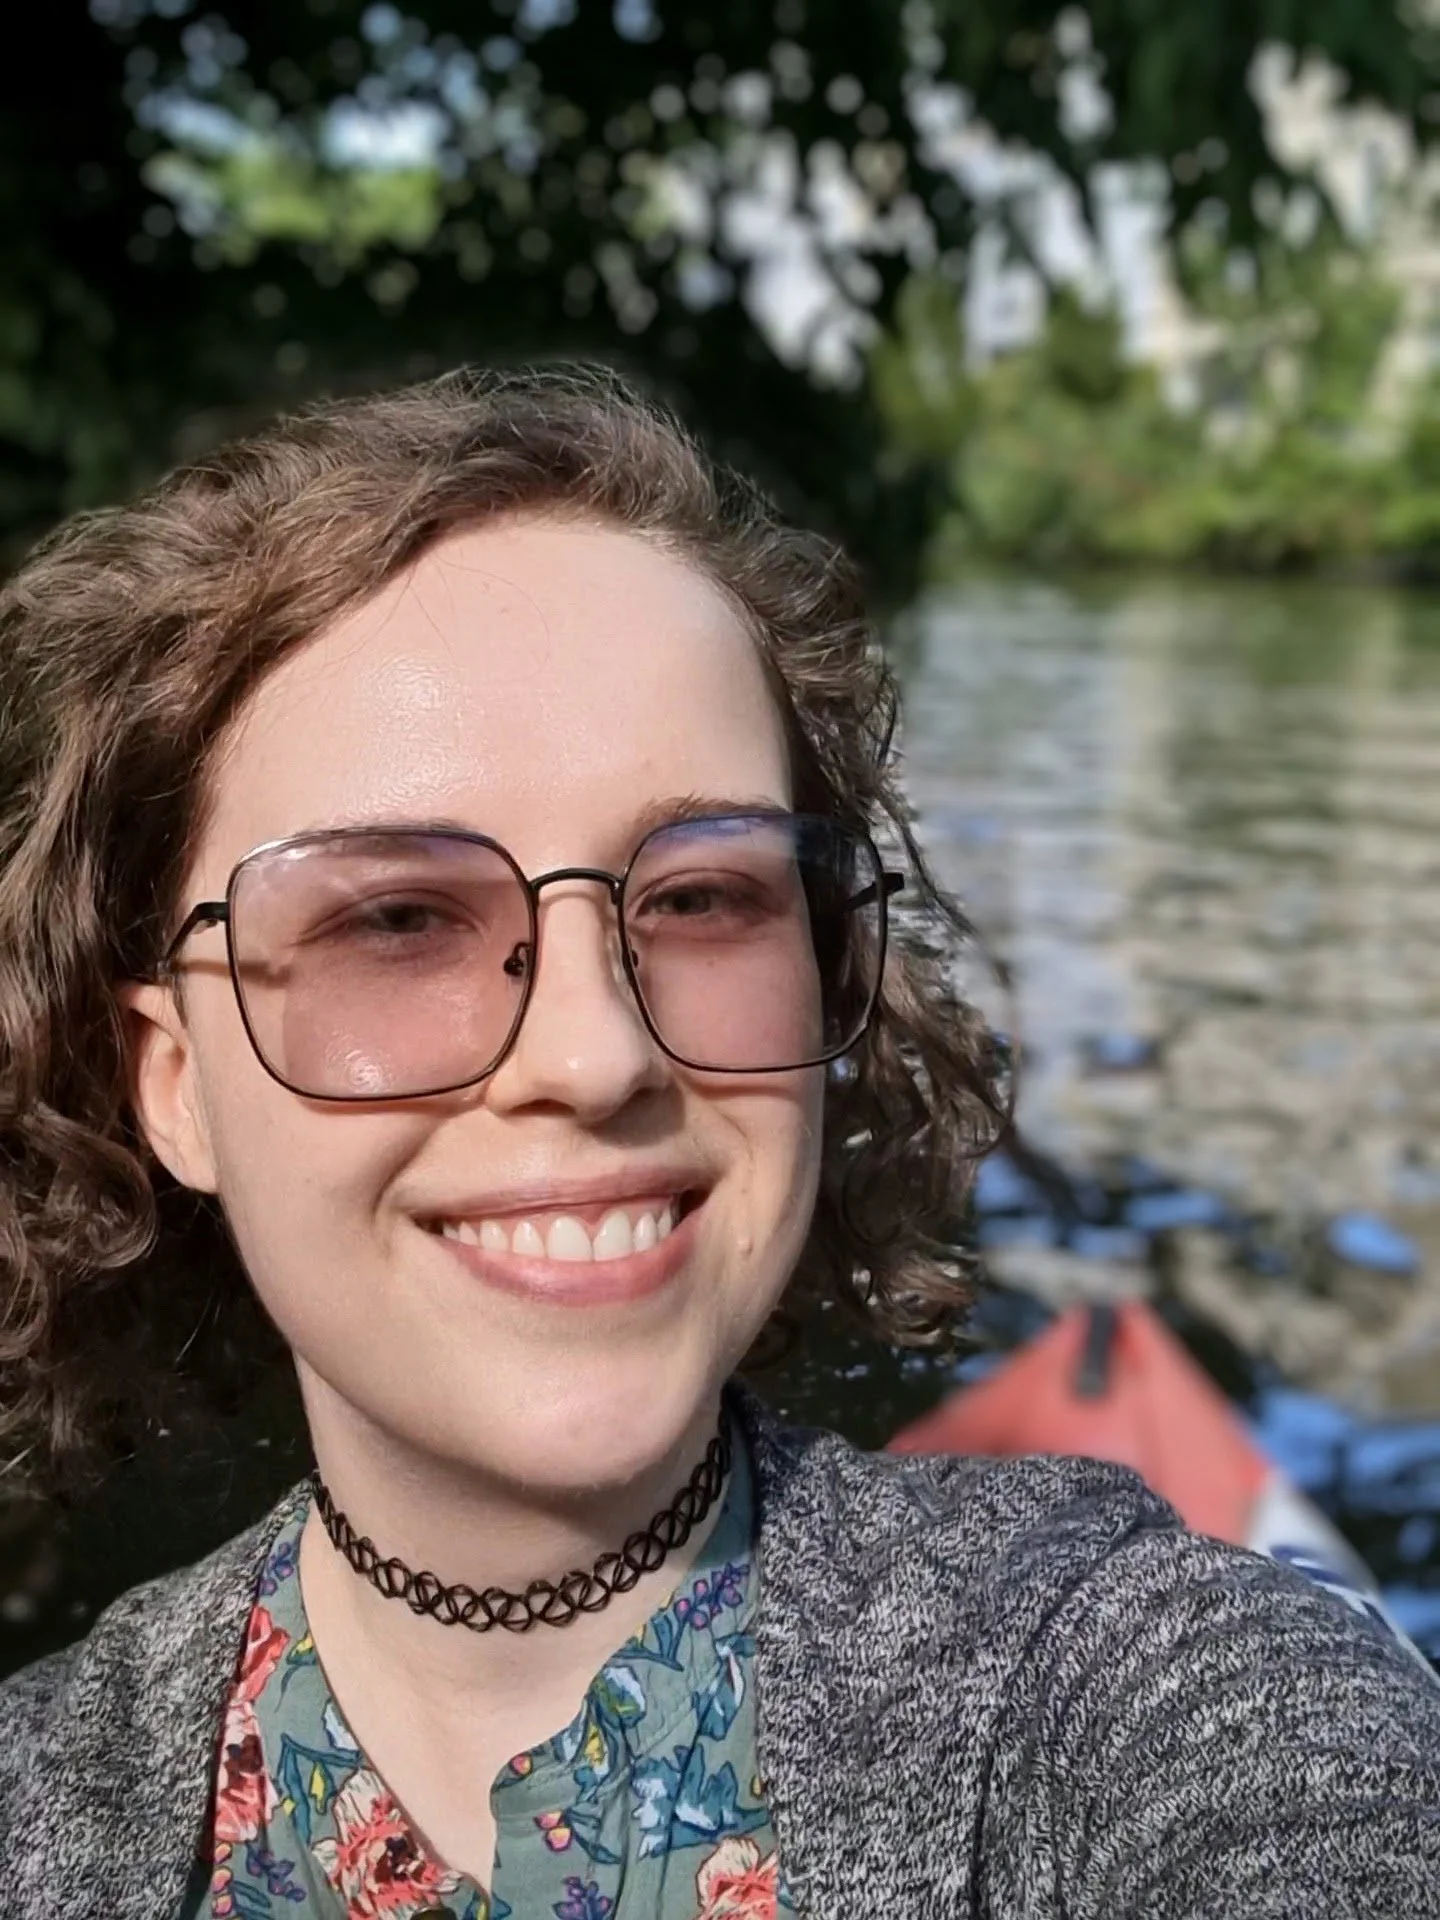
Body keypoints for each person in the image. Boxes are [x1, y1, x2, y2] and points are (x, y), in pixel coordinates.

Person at [0, 365, 1437, 1920]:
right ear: (172, 1080)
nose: (596, 1050)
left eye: (698, 899)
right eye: (397, 919)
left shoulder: (1136, 1692)